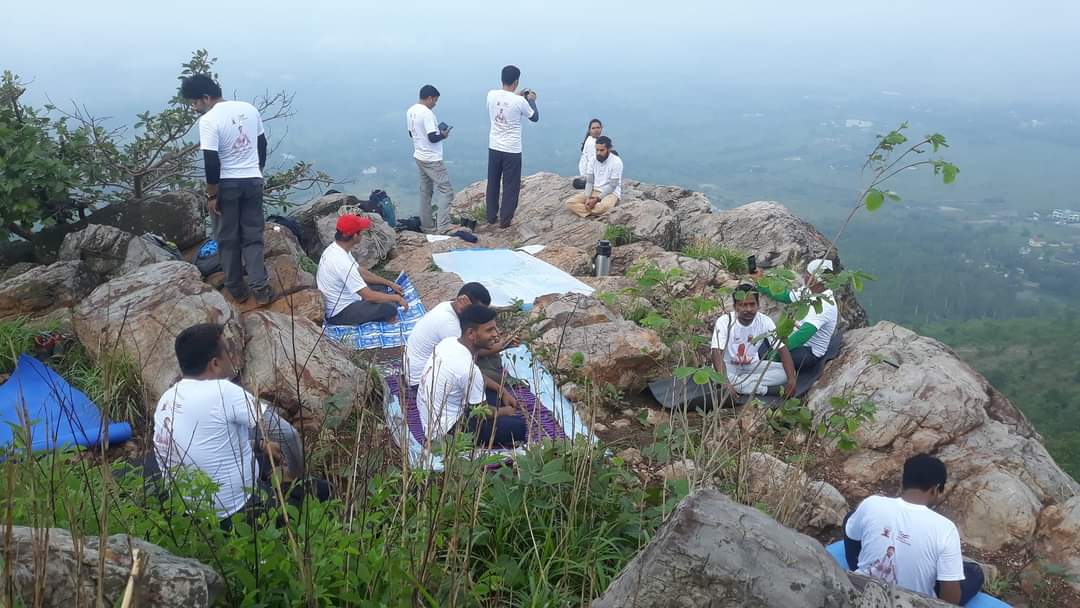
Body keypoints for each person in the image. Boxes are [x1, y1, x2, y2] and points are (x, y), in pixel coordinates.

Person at [153, 323, 314, 521]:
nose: (232, 357)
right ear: (215, 364)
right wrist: (293, 476)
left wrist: (260, 444)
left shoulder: (167, 398)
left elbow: (208, 443)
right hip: (238, 512)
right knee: (320, 492)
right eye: (228, 352)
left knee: (263, 458)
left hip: (187, 512)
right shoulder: (222, 390)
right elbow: (287, 434)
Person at [181, 74, 275, 305]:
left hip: (226, 185)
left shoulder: (209, 120)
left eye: (194, 103)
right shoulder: (249, 109)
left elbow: (211, 162)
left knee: (227, 238)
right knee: (253, 236)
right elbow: (262, 145)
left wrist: (212, 195)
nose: (194, 108)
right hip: (253, 180)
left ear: (205, 97)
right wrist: (256, 170)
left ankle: (237, 290)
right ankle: (261, 288)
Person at [844, 454, 985, 605]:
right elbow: (949, 599)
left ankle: (857, 570)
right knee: (974, 573)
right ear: (935, 489)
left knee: (852, 518)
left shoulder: (871, 504)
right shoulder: (945, 529)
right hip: (912, 602)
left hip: (864, 588)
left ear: (903, 481)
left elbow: (852, 537)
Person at [416, 305, 527, 449]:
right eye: (489, 330)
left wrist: (502, 390)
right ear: (471, 333)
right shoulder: (467, 369)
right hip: (445, 432)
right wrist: (505, 412)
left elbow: (480, 378)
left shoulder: (449, 343)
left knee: (495, 394)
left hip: (431, 417)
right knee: (518, 426)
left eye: (495, 328)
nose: (496, 334)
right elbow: (483, 413)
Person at [316, 214, 407, 325]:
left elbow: (361, 272)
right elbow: (368, 296)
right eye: (361, 232)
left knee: (383, 287)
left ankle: (383, 301)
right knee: (390, 308)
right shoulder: (342, 263)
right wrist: (396, 298)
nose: (363, 234)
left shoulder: (336, 248)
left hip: (348, 297)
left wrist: (389, 283)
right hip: (340, 313)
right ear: (355, 236)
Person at [710, 284, 797, 400]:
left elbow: (782, 349)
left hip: (751, 366)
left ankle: (741, 385)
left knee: (786, 373)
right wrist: (725, 381)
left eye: (752, 304)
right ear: (735, 306)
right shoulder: (724, 321)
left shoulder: (765, 321)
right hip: (727, 367)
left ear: (758, 305)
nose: (748, 309)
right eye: (743, 305)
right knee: (716, 375)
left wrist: (791, 381)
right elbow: (716, 352)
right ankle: (764, 390)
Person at [755, 258, 839, 371]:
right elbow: (786, 296)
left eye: (808, 275)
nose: (804, 276)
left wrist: (777, 351)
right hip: (793, 339)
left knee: (771, 359)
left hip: (808, 351)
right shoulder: (809, 291)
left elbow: (801, 337)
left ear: (817, 280)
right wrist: (760, 282)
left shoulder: (824, 305)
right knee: (761, 342)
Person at [403, 282, 492, 387]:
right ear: (463, 301)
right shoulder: (450, 324)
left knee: (490, 359)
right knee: (488, 377)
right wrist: (503, 345)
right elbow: (471, 353)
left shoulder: (446, 305)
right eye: (478, 310)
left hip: (418, 368)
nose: (480, 315)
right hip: (421, 381)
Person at [485, 65, 539, 228]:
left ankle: (491, 216)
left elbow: (505, 100)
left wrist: (518, 96)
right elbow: (534, 117)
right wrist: (531, 100)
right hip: (512, 149)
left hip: (494, 147)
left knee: (493, 182)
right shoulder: (520, 101)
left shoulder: (491, 95)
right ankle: (505, 220)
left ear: (502, 79)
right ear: (516, 81)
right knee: (510, 185)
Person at [407, 85, 453, 233]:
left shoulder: (411, 111)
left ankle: (426, 227)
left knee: (425, 192)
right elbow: (433, 137)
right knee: (446, 190)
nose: (435, 103)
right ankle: (443, 228)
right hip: (432, 159)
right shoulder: (427, 114)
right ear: (429, 98)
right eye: (435, 100)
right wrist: (444, 135)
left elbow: (411, 133)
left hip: (419, 156)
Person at [565, 136, 623, 218]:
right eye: (597, 150)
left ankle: (588, 211)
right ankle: (593, 212)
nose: (598, 153)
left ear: (609, 149)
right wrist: (588, 197)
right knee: (569, 203)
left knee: (603, 207)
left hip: (610, 193)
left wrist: (596, 200)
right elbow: (589, 181)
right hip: (594, 190)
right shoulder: (593, 160)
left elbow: (612, 186)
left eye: (602, 150)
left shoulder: (616, 162)